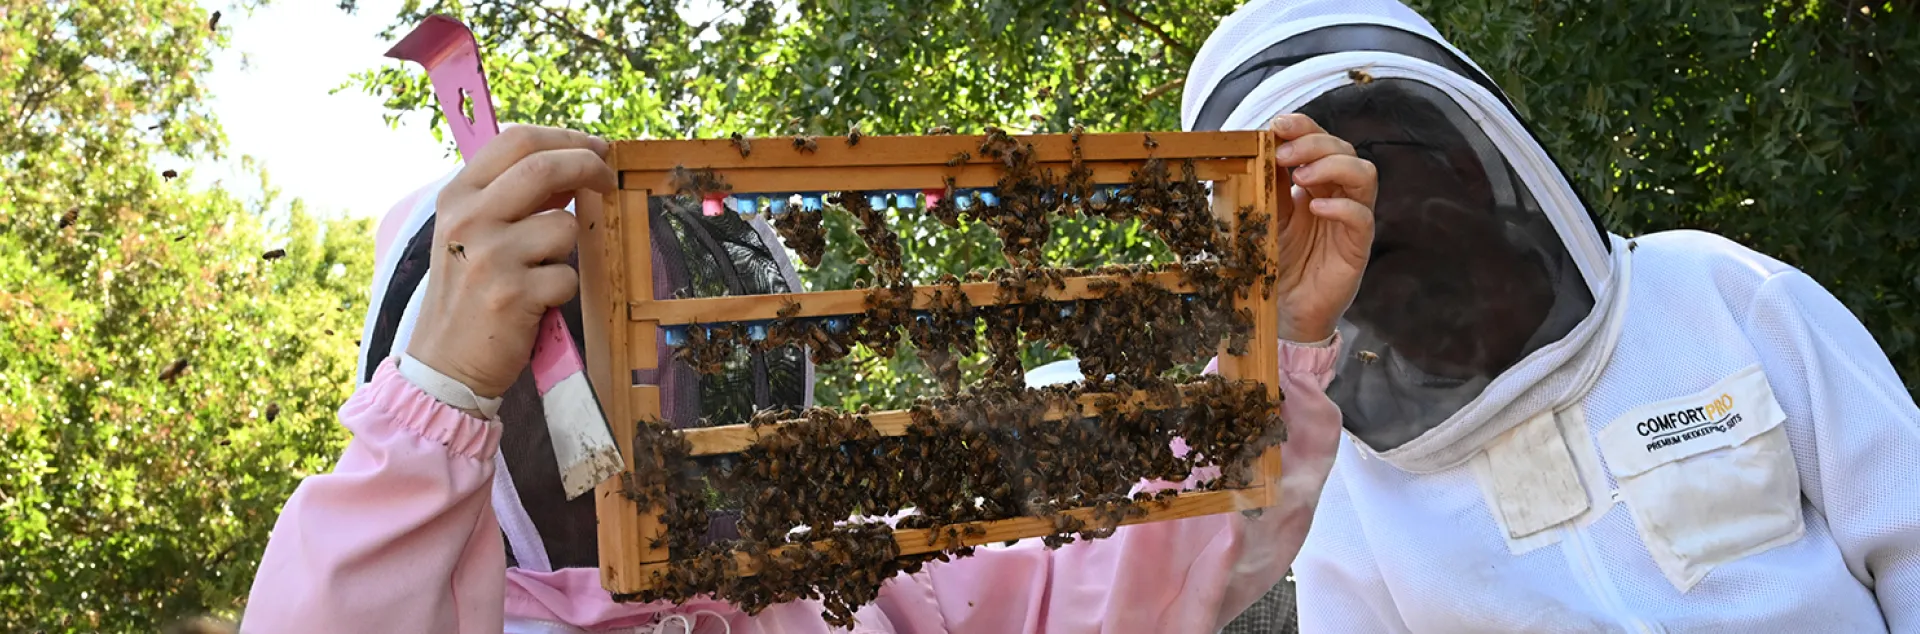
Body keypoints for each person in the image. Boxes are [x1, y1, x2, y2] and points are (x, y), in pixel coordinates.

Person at [237, 113, 1380, 630]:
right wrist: (435, 410)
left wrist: (1265, 341)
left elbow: (1123, 582)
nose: (663, 414)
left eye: (696, 365)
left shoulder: (845, 597)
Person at [1171, 0, 1920, 632]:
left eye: (1366, 160)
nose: (1352, 208)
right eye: (1288, 198)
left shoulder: (1714, 289)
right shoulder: (1342, 478)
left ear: (1460, 150)